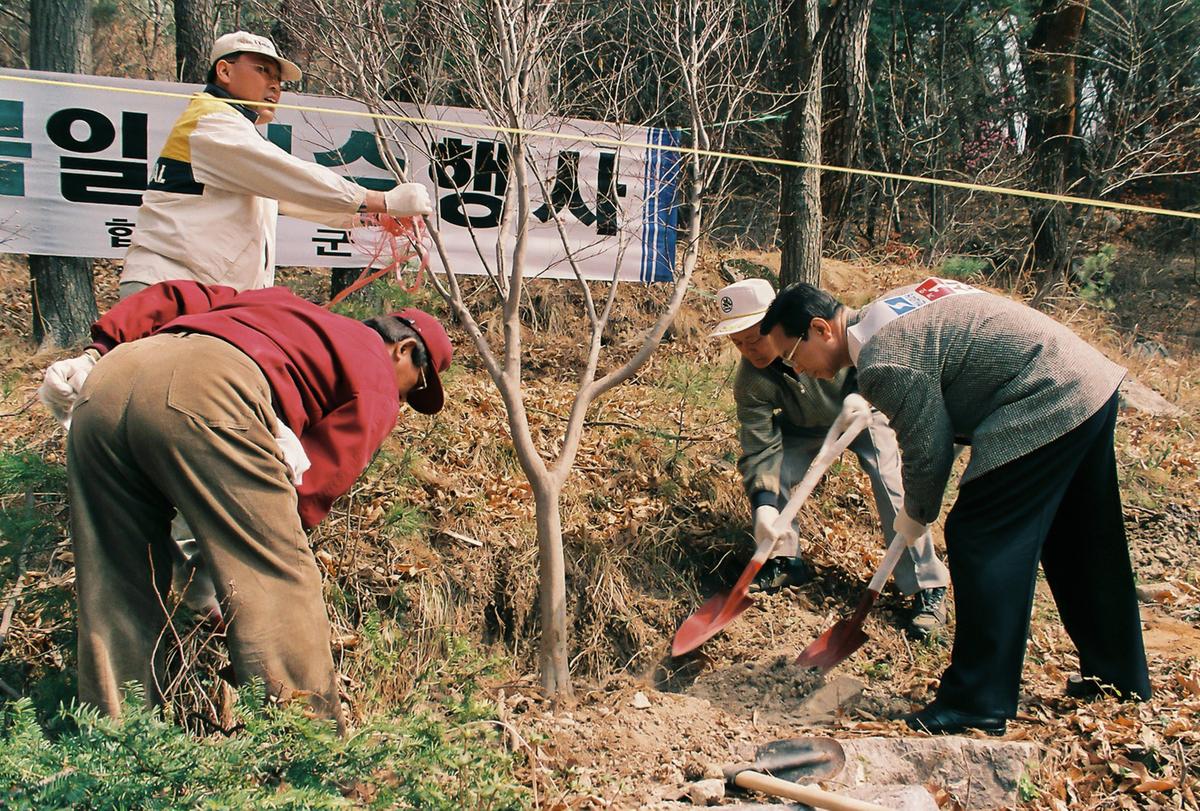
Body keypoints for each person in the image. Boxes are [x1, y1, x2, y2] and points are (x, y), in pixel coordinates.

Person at [40, 280, 452, 733]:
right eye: (416, 387)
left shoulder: (276, 302)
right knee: (281, 577)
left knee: (115, 575)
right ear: (403, 349)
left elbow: (178, 295)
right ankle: (309, 752)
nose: (405, 400)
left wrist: (98, 350)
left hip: (110, 380)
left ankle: (114, 745)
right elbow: (308, 491)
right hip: (210, 388)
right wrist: (234, 563)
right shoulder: (376, 371)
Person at [760, 278, 1151, 735]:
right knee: (1079, 536)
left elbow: (929, 450)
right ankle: (1118, 677)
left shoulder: (882, 359)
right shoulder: (886, 314)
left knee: (980, 535)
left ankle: (976, 702)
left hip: (1043, 393)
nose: (798, 370)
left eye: (792, 355)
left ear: (821, 329)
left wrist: (916, 513)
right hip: (1085, 381)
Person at [710, 279, 951, 638]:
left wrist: (861, 396)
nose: (749, 350)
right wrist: (763, 504)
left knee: (890, 481)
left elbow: (864, 358)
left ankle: (925, 583)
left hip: (862, 411)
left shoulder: (819, 338)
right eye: (738, 343)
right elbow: (759, 445)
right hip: (803, 425)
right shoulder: (751, 381)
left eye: (755, 338)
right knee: (775, 472)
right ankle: (784, 559)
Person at [120, 30, 433, 297]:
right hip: (171, 289)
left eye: (279, 79)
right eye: (263, 71)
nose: (275, 86)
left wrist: (372, 216)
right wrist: (381, 200)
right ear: (225, 72)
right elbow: (291, 177)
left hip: (195, 291)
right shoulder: (212, 123)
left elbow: (286, 198)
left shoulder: (229, 128)